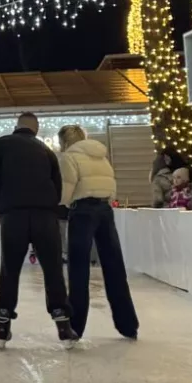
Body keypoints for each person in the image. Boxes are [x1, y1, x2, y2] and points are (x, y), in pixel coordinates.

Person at [0, 112, 77, 349]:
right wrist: (51, 206)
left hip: (14, 216)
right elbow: (57, 183)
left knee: (10, 269)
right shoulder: (45, 150)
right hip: (45, 216)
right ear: (36, 128)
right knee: (52, 268)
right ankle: (63, 324)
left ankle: (3, 321)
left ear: (17, 126)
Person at [58, 125, 137, 340]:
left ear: (64, 141)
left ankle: (76, 326)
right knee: (114, 267)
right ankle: (128, 324)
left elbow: (66, 191)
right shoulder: (101, 156)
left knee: (78, 270)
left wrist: (60, 206)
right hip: (105, 210)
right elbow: (111, 186)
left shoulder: (69, 157)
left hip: (81, 211)